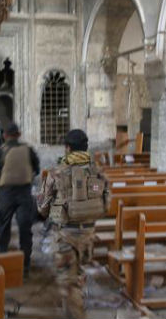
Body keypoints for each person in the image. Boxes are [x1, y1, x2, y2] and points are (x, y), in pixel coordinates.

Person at [37, 129, 108, 319]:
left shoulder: (56, 172)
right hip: (88, 235)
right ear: (86, 148)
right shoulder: (98, 172)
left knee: (68, 284)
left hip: (65, 236)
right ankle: (76, 303)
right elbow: (106, 203)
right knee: (78, 274)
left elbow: (42, 208)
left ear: (67, 148)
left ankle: (76, 313)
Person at [0, 122, 40, 277]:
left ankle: (3, 264)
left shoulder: (0, 151)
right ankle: (24, 267)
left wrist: (2, 187)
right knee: (25, 228)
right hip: (24, 191)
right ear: (19, 135)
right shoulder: (29, 150)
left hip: (7, 192)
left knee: (4, 227)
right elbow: (36, 169)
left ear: (5, 136)